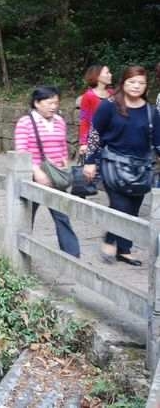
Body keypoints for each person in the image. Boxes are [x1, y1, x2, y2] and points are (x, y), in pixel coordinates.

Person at [84, 66, 160, 266]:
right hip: (113, 164)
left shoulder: (151, 112)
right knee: (120, 206)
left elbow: (158, 142)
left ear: (146, 86)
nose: (136, 86)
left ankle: (124, 250)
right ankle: (110, 240)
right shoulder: (109, 106)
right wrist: (89, 161)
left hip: (141, 167)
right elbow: (95, 134)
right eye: (132, 82)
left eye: (141, 83)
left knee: (133, 209)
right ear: (123, 83)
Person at [14, 86, 80, 257]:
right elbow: (22, 151)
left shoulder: (59, 121)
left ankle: (72, 257)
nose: (53, 106)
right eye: (49, 103)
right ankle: (19, 253)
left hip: (55, 176)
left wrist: (64, 162)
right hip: (33, 178)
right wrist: (36, 171)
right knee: (27, 216)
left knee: (62, 216)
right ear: (37, 103)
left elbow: (62, 145)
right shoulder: (25, 122)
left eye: (56, 103)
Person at [78, 64, 113, 155]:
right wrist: (83, 143)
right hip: (96, 139)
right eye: (107, 73)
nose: (110, 75)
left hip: (112, 138)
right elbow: (84, 120)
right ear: (97, 76)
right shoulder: (88, 96)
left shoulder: (112, 93)